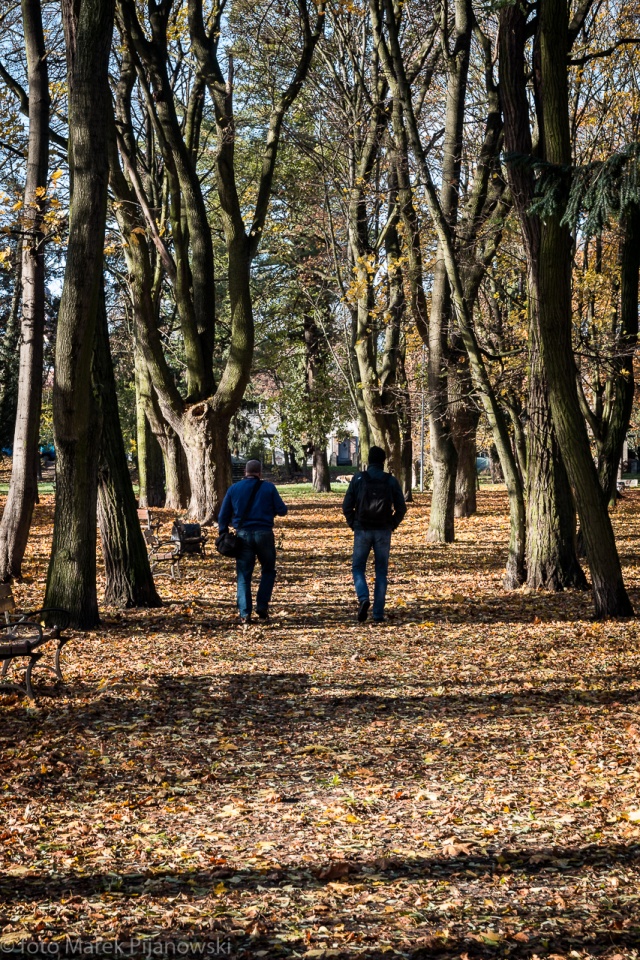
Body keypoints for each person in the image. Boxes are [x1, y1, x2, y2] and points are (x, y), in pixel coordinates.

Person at [217, 460, 288, 624]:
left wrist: (223, 533)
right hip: (264, 534)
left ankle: (244, 613)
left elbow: (223, 516)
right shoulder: (269, 488)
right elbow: (282, 510)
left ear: (245, 472)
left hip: (242, 536)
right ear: (260, 472)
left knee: (244, 575)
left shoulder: (234, 489)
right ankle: (262, 605)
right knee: (268, 570)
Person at [342, 446, 407, 623]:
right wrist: (391, 524)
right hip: (383, 531)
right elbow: (402, 508)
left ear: (368, 460)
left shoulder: (358, 478)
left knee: (357, 568)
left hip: (362, 529)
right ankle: (378, 613)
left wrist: (353, 524)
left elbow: (346, 506)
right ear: (383, 461)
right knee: (381, 572)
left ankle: (363, 598)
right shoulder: (390, 481)